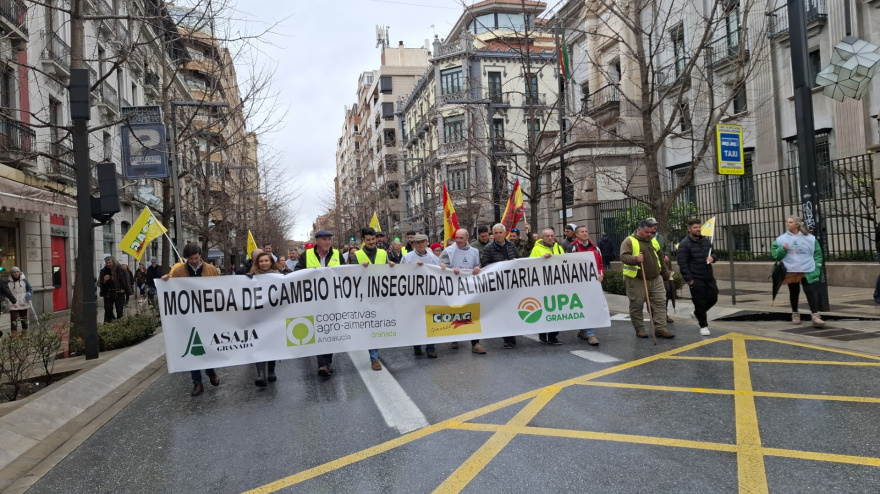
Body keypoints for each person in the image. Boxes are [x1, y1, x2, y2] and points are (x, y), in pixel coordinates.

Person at [161, 244, 221, 396]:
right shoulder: (179, 271)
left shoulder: (211, 270)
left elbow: (220, 290)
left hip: (207, 315)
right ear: (186, 258)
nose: (194, 261)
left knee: (207, 345)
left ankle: (210, 371)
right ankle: (197, 382)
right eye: (190, 259)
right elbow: (171, 290)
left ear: (200, 255)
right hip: (188, 316)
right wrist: (165, 281)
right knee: (194, 349)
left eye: (196, 258)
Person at [295, 230, 342, 378]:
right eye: (324, 240)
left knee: (329, 330)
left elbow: (347, 273)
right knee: (319, 330)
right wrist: (310, 273)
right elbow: (296, 273)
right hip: (313, 301)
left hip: (333, 300)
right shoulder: (306, 255)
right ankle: (323, 364)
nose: (327, 242)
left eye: (329, 239)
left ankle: (326, 362)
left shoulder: (337, 255)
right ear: (317, 241)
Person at [620, 219, 674, 339]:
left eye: (651, 232)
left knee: (660, 303)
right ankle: (640, 329)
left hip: (656, 278)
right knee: (637, 304)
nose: (649, 234)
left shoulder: (653, 241)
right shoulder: (629, 241)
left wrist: (665, 272)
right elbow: (623, 257)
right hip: (636, 279)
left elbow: (660, 256)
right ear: (639, 230)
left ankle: (660, 328)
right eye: (647, 232)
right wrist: (635, 259)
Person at [350, 227, 394, 370]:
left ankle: (377, 351)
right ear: (363, 240)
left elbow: (388, 270)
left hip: (382, 295)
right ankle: (374, 358)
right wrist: (358, 268)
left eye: (373, 239)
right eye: (368, 240)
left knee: (382, 324)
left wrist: (392, 266)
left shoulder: (383, 253)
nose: (371, 242)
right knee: (371, 326)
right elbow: (350, 276)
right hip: (365, 297)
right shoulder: (357, 255)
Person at [439, 229, 487, 354]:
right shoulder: (448, 251)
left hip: (470, 287)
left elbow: (480, 264)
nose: (459, 240)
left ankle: (475, 343)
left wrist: (478, 267)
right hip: (454, 287)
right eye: (457, 238)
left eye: (461, 238)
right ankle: (455, 338)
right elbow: (440, 265)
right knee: (456, 312)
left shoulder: (474, 251)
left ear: (467, 238)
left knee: (473, 313)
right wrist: (450, 269)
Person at [771, 216, 825, 327]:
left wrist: (817, 266)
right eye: (787, 222)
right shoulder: (781, 239)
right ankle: (795, 313)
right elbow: (774, 254)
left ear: (797, 225)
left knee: (811, 292)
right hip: (791, 270)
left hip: (808, 269)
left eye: (790, 222)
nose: (788, 224)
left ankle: (815, 316)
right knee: (794, 292)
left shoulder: (810, 238)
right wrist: (782, 249)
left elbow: (818, 254)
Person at [402, 234, 446, 358]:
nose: (421, 244)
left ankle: (430, 347)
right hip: (414, 295)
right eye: (418, 242)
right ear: (413, 244)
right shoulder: (407, 257)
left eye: (423, 242)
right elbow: (401, 274)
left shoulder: (433, 257)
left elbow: (440, 271)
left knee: (430, 321)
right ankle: (417, 345)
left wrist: (443, 267)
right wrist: (413, 268)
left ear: (427, 242)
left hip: (430, 295)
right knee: (416, 321)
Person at [481, 223, 520, 349]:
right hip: (498, 284)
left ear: (505, 233)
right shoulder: (489, 248)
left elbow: (518, 259)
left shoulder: (511, 245)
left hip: (511, 283)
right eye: (495, 233)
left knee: (512, 310)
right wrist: (499, 265)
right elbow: (485, 264)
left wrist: (514, 262)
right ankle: (507, 338)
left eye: (500, 233)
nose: (498, 235)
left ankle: (512, 334)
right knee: (503, 311)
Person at [677, 218, 718, 336]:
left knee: (713, 297)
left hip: (708, 275)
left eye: (699, 227)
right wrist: (689, 279)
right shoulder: (684, 244)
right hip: (695, 277)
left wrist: (713, 258)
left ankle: (696, 314)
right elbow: (682, 263)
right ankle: (703, 325)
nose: (698, 229)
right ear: (689, 229)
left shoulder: (706, 241)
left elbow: (714, 253)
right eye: (695, 227)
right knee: (699, 302)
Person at [249, 248, 280, 387]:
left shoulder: (281, 276)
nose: (264, 263)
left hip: (274, 315)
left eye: (266, 260)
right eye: (261, 261)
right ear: (257, 263)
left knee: (272, 343)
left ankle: (271, 371)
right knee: (259, 344)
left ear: (271, 262)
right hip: (258, 316)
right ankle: (260, 373)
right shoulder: (250, 277)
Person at [568, 226, 604, 345]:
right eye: (582, 232)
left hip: (593, 283)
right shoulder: (572, 248)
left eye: (586, 231)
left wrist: (600, 275)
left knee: (591, 306)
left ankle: (583, 330)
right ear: (576, 235)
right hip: (578, 284)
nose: (584, 233)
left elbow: (600, 265)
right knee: (584, 306)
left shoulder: (595, 248)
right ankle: (591, 334)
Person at [530, 228, 567, 345]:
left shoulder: (559, 248)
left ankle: (553, 335)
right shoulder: (536, 249)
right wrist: (542, 259)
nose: (550, 238)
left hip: (557, 284)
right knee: (544, 309)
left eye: (552, 236)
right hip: (542, 285)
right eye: (547, 236)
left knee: (556, 310)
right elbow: (530, 265)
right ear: (543, 237)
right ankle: (542, 331)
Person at [99, 256, 131, 322]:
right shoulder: (104, 270)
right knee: (108, 309)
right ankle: (112, 323)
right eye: (107, 263)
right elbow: (100, 282)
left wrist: (124, 289)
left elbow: (126, 280)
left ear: (113, 262)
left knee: (119, 310)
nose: (108, 264)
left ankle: (120, 323)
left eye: (110, 262)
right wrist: (104, 280)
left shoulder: (120, 269)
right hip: (108, 293)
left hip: (118, 292)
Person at [8, 267, 31, 337]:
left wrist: (29, 294)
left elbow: (30, 289)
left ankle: (24, 333)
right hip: (13, 303)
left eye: (17, 272)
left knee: (24, 319)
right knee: (13, 319)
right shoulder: (8, 282)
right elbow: (6, 291)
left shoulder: (24, 281)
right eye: (14, 272)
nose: (16, 273)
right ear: (12, 274)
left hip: (23, 302)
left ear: (19, 272)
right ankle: (14, 334)